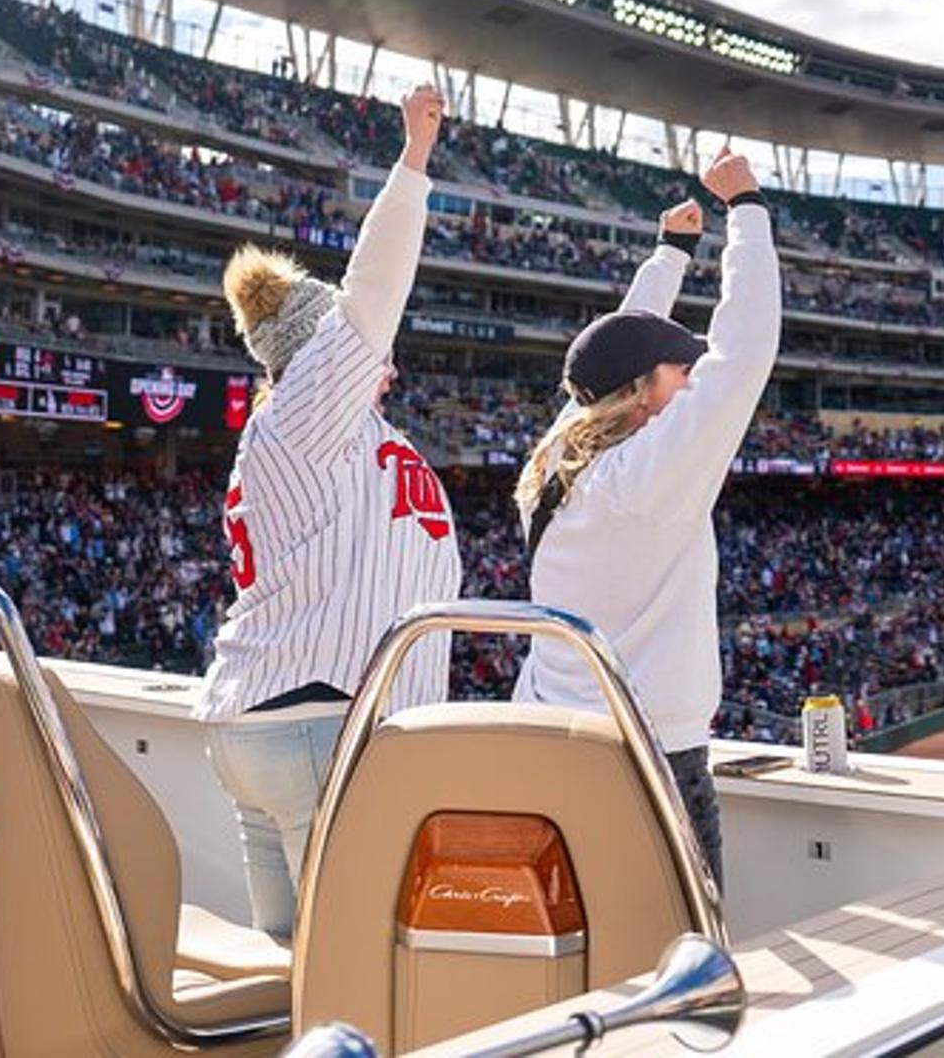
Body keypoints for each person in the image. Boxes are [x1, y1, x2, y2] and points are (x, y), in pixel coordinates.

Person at [193, 85, 459, 938]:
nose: (380, 354)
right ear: (317, 357)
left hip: (276, 717)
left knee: (292, 961)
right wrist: (413, 160)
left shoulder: (334, 433)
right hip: (316, 719)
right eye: (352, 347)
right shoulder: (308, 410)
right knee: (352, 961)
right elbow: (371, 296)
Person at [513, 148, 781, 889]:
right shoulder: (647, 477)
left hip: (555, 738)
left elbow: (609, 349)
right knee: (683, 963)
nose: (692, 377)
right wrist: (747, 209)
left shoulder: (558, 458)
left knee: (579, 949)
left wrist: (670, 255)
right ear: (639, 392)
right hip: (651, 758)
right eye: (679, 369)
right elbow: (746, 350)